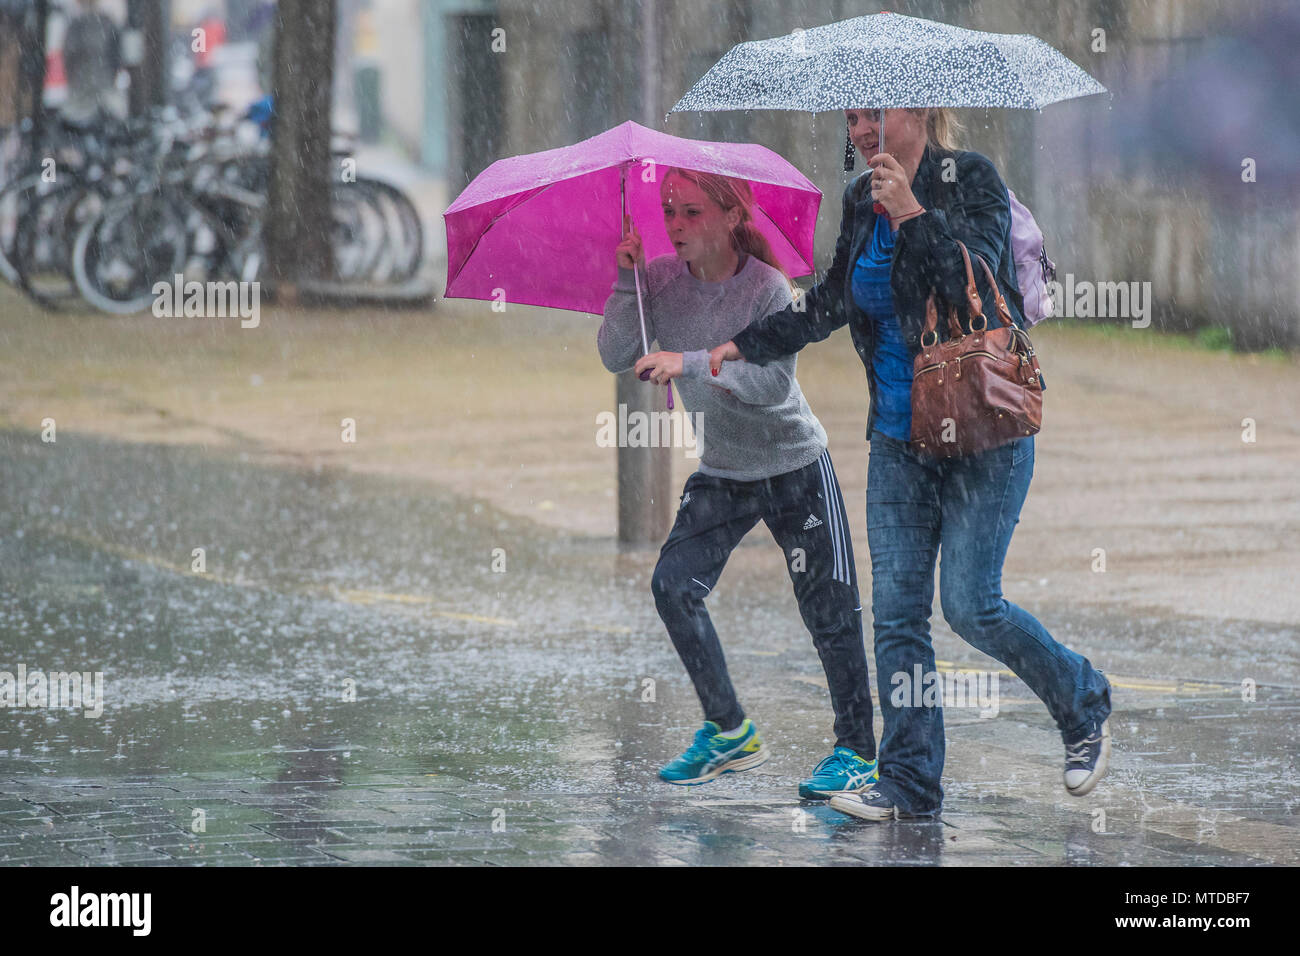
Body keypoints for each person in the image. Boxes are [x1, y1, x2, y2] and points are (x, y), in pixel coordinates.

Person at [709, 107, 1112, 821]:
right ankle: (908, 782)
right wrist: (750, 341)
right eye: (852, 118)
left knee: (969, 603)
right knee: (897, 616)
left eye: (875, 115)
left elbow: (969, 293)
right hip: (900, 442)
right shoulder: (861, 197)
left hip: (987, 433)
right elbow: (834, 299)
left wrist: (914, 213)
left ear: (921, 111)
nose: (861, 131)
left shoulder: (971, 179)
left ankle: (1081, 700)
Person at [598, 167, 878, 799]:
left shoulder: (769, 290)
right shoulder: (660, 282)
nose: (675, 226)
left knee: (830, 611)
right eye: (669, 211)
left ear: (731, 217)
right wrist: (625, 279)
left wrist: (692, 362)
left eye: (691, 212)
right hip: (724, 471)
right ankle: (728, 729)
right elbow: (615, 352)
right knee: (671, 585)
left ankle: (858, 751)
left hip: (794, 466)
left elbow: (770, 385)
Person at [60, 0, 122, 125]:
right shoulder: (105, 23)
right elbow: (116, 58)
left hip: (88, 89)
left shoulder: (76, 24)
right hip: (97, 87)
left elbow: (68, 57)